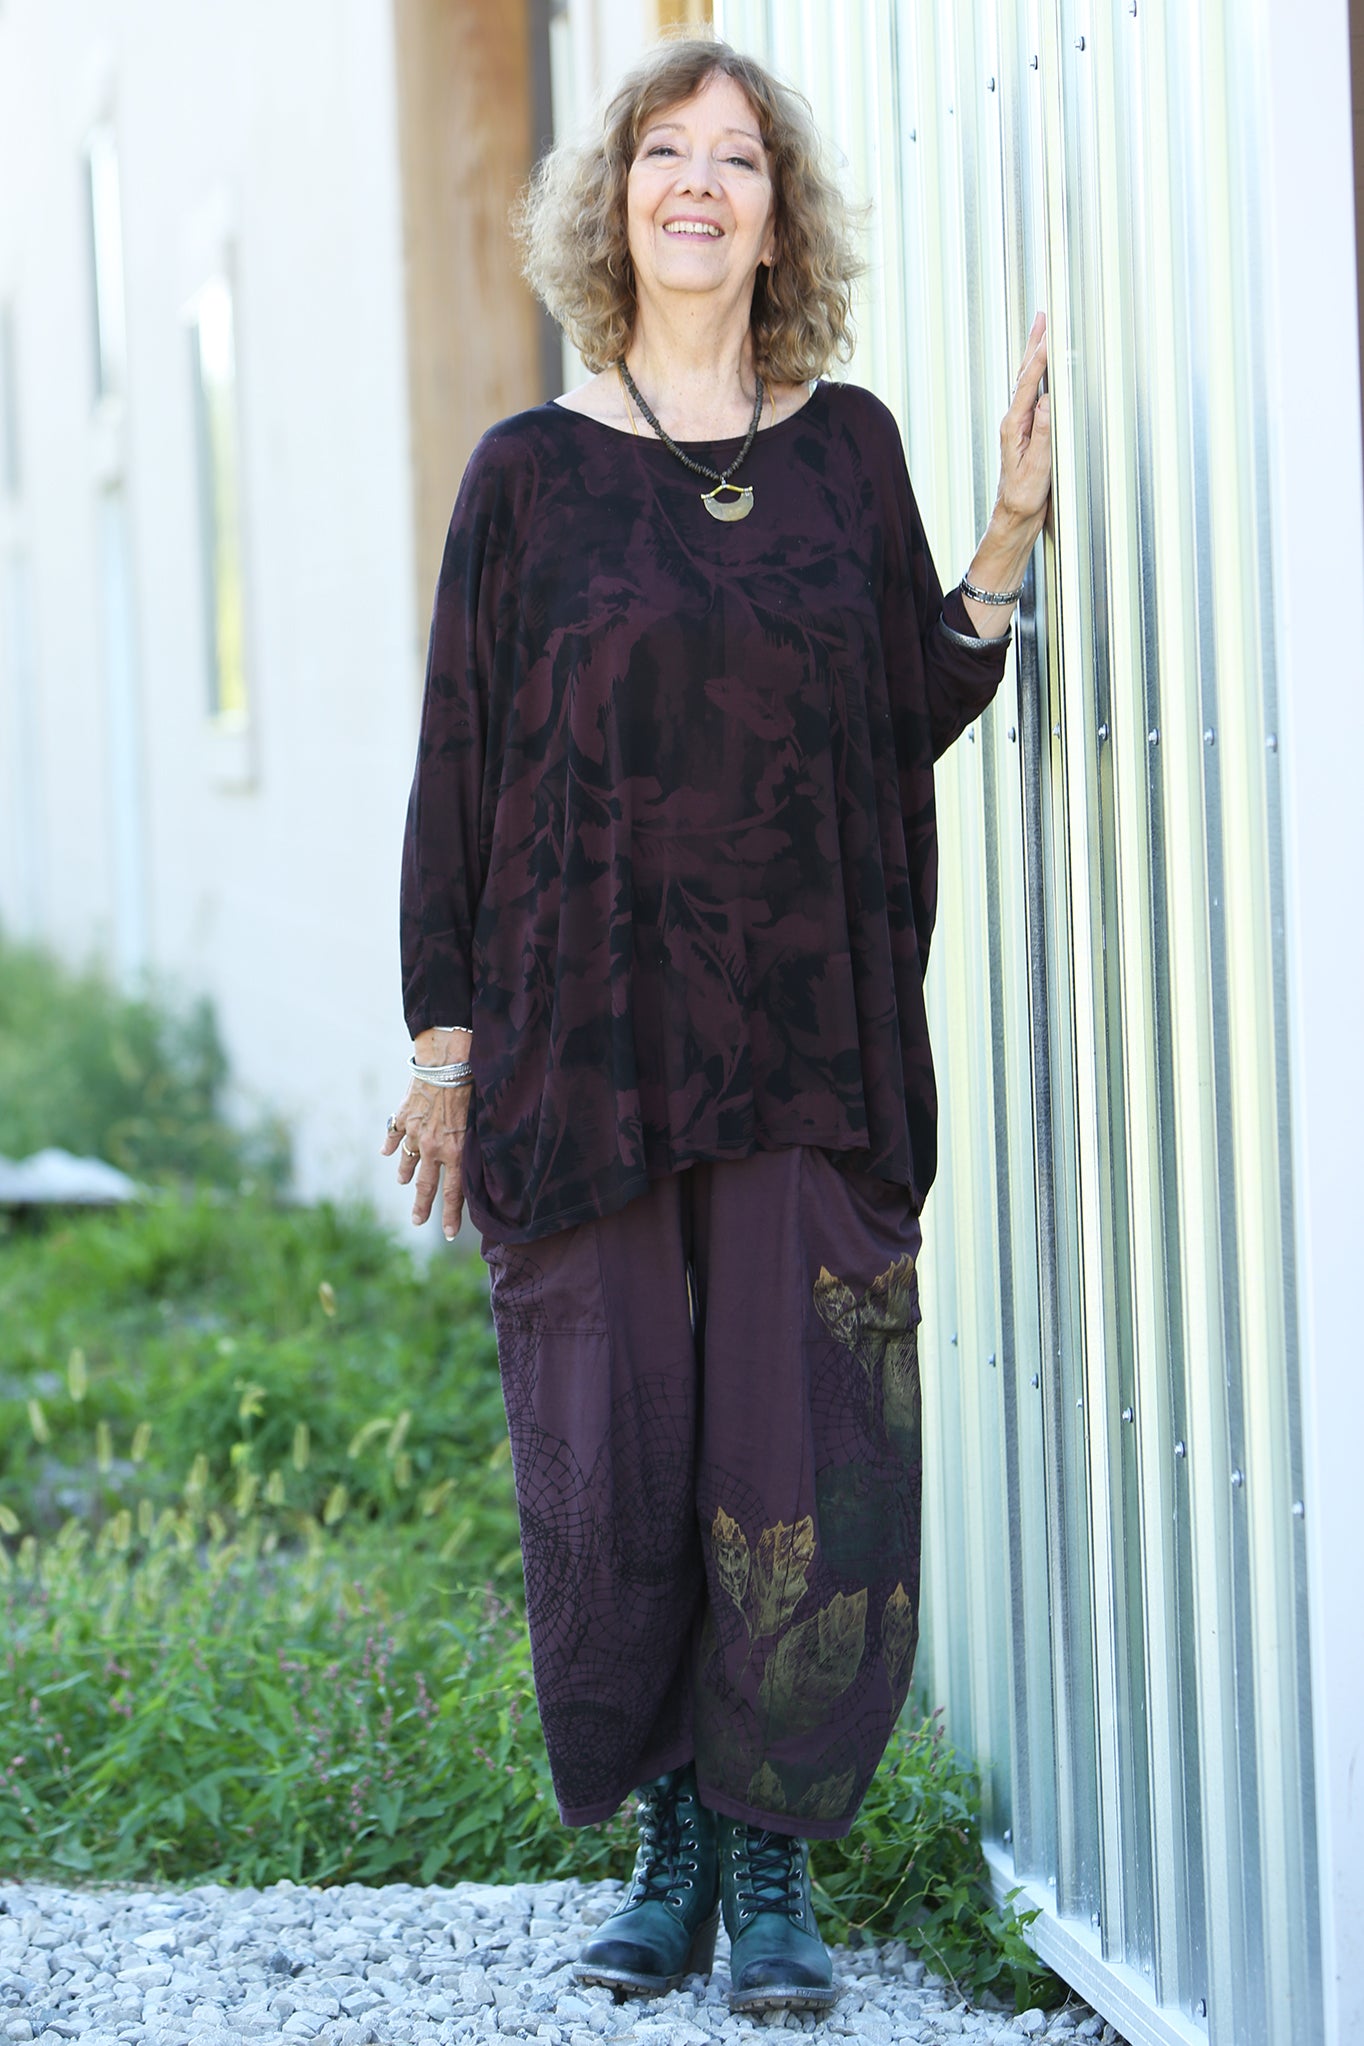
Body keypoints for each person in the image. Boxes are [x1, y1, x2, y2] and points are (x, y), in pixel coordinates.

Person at [383, 33, 1051, 2018]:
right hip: (586, 1050)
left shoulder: (846, 451)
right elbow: (459, 769)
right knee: (615, 1438)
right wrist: (445, 1048)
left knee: (804, 1442)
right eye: (663, 152)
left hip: (802, 1045)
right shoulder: (527, 477)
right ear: (614, 204)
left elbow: (896, 706)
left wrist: (1003, 541)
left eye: (737, 159)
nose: (698, 183)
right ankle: (667, 1844)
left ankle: (772, 1869)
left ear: (779, 217)